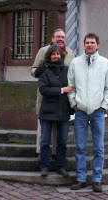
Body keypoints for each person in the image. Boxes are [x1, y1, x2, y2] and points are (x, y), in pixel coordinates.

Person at [68, 33, 108, 192]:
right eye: (87, 42)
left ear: (98, 45)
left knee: (98, 148)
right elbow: (70, 86)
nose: (89, 45)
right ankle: (81, 179)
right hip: (80, 111)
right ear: (84, 45)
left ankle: (97, 179)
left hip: (98, 112)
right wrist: (73, 103)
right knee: (80, 147)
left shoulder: (105, 63)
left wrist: (104, 106)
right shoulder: (75, 63)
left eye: (92, 42)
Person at [31, 28, 75, 156]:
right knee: (43, 128)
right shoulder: (43, 51)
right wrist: (38, 72)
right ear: (52, 39)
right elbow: (33, 69)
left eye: (62, 37)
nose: (60, 39)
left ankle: (56, 153)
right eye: (58, 37)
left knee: (59, 129)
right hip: (47, 96)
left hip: (63, 99)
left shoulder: (70, 53)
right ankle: (41, 152)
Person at [38, 45, 73, 177]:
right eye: (53, 54)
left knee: (62, 141)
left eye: (58, 54)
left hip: (63, 111)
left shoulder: (67, 70)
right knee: (45, 141)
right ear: (49, 56)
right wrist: (62, 90)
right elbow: (44, 90)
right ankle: (44, 167)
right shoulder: (44, 71)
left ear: (61, 56)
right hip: (47, 112)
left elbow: (73, 86)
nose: (56, 56)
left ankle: (61, 167)